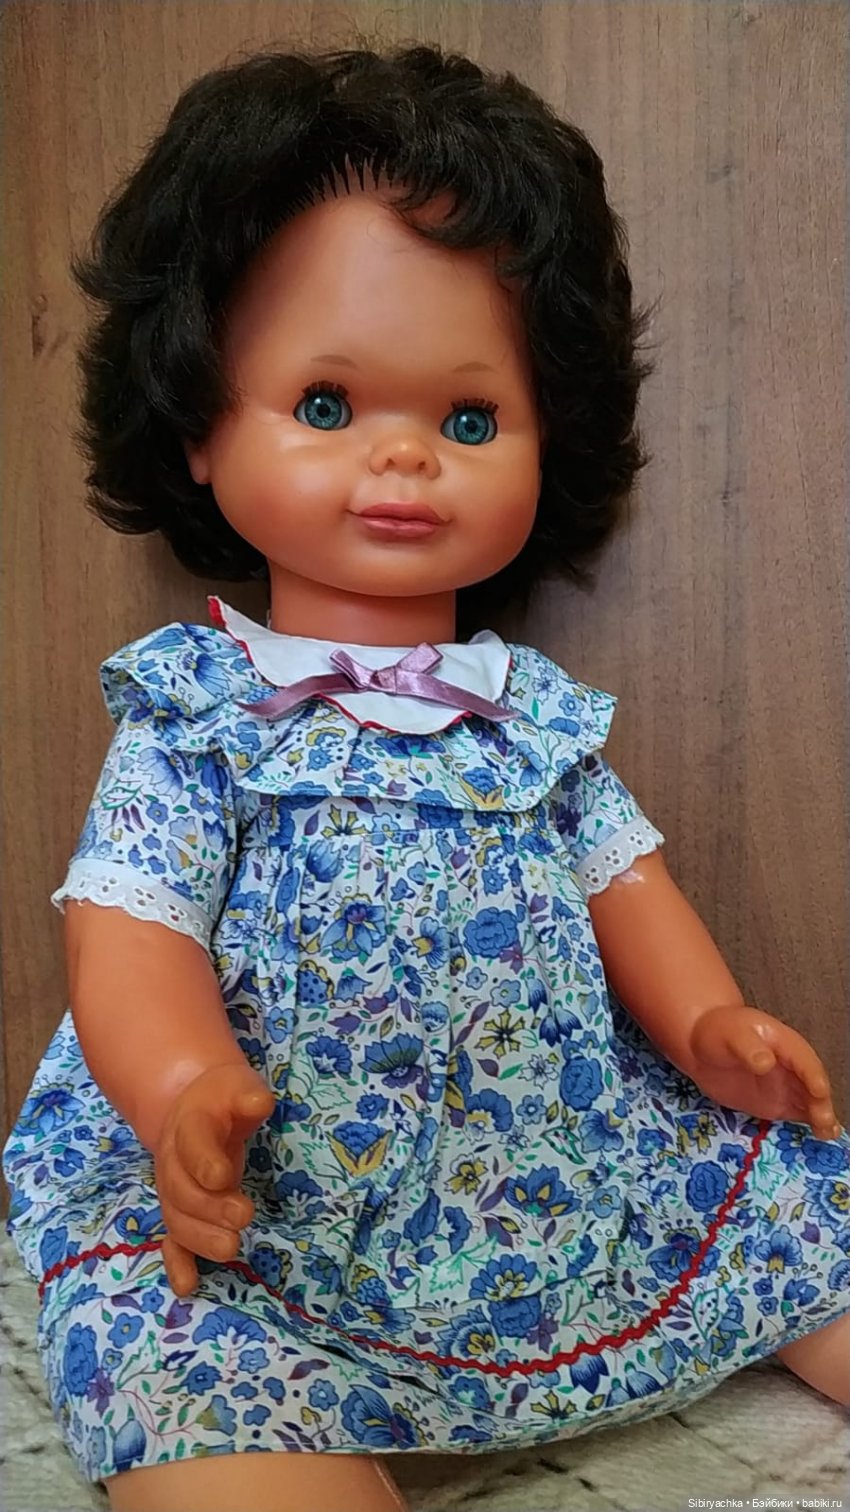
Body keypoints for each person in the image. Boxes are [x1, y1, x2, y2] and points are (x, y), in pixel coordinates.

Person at [3, 43, 848, 1512]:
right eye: (327, 404)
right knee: (189, 1384)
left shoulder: (533, 720)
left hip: (554, 1161)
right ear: (199, 426)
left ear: (545, 440)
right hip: (265, 1203)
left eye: (466, 421)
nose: (403, 460)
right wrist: (185, 1085)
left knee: (798, 1207)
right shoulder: (197, 712)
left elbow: (627, 887)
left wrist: (708, 1025)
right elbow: (130, 935)